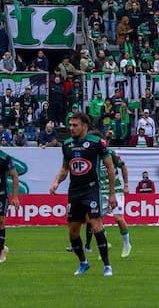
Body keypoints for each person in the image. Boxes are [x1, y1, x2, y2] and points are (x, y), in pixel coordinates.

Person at [49, 112, 117, 276]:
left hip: (92, 190)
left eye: (75, 125)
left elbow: (110, 168)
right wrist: (56, 181)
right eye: (70, 125)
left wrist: (112, 193)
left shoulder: (96, 143)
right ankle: (83, 262)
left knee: (96, 224)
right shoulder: (66, 145)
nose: (71, 128)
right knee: (73, 231)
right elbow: (66, 167)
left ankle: (107, 265)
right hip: (74, 191)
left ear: (84, 126)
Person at [85, 148, 132, 258]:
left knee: (118, 218)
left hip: (116, 189)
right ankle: (104, 244)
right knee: (95, 220)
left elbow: (123, 166)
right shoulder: (90, 155)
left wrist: (126, 185)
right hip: (100, 191)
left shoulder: (111, 153)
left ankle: (126, 243)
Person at [0, 149, 20, 263]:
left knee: (1, 222)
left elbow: (15, 176)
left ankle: (2, 250)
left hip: (1, 195)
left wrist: (15, 197)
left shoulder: (5, 158)